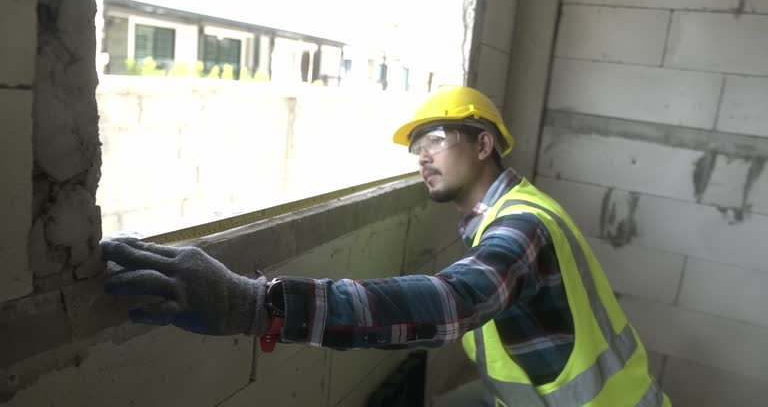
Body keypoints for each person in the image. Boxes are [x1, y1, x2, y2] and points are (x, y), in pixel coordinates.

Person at [102, 86, 670, 406]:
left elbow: (455, 302)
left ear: (484, 143)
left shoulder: (521, 225)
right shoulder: (500, 213)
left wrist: (260, 304)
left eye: (436, 140)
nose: (422, 155)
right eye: (416, 146)